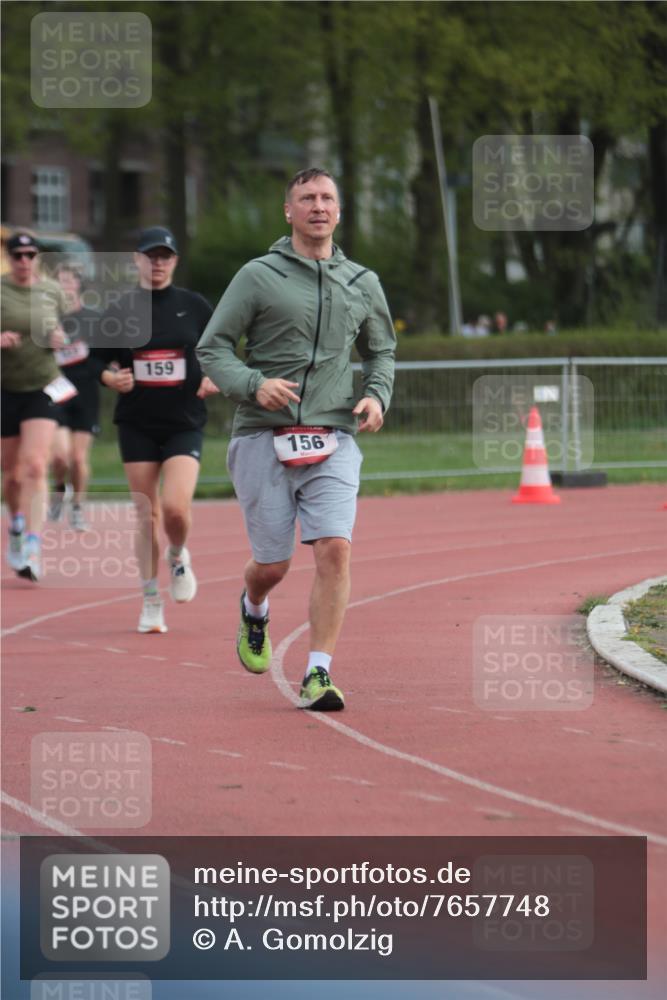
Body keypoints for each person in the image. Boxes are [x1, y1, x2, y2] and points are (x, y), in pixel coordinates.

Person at [196, 167, 396, 711]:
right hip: (264, 436)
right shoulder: (258, 275)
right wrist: (253, 385)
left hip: (333, 432)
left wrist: (377, 395)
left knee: (334, 548)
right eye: (306, 198)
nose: (318, 206)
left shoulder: (362, 282)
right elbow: (212, 348)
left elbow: (382, 351)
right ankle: (253, 604)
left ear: (339, 209)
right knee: (274, 563)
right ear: (289, 211)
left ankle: (318, 673)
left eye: (328, 197)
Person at [98, 226, 218, 634]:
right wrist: (109, 378)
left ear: (175, 261)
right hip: (137, 424)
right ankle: (150, 599)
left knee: (175, 509)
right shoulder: (119, 310)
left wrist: (213, 376)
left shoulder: (194, 306)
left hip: (184, 422)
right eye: (151, 256)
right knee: (145, 515)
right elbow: (93, 359)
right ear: (137, 260)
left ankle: (179, 554)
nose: (158, 263)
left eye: (165, 256)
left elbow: (220, 349)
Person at [1, 231, 68, 581]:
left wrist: (61, 338)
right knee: (11, 475)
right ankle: (16, 524)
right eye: (18, 255)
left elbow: (70, 331)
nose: (24, 261)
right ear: (10, 258)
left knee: (36, 466)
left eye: (30, 254)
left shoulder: (51, 292)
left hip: (43, 384)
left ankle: (32, 543)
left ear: (38, 257)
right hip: (5, 388)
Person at [47, 264, 101, 531]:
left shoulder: (94, 318)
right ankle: (59, 489)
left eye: (69, 281)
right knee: (60, 458)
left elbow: (107, 355)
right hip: (55, 393)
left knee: (79, 459)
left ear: (78, 285)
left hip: (86, 395)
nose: (65, 287)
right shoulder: (46, 319)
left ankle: (78, 507)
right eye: (59, 282)